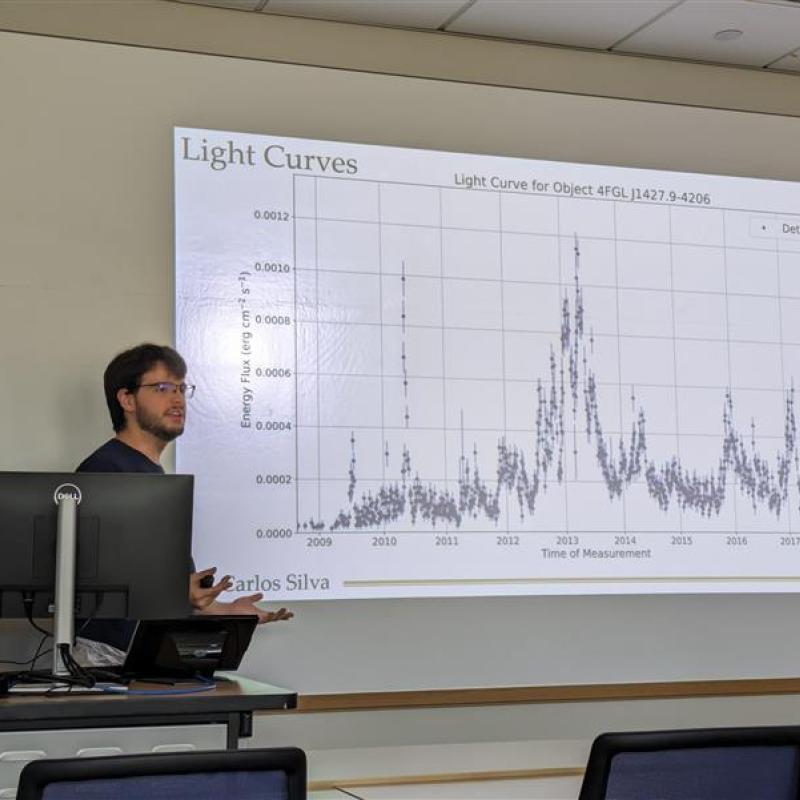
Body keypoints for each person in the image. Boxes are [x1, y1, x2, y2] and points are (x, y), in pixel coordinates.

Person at [76, 343, 292, 658]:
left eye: (181, 388)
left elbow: (150, 582)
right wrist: (180, 594)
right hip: (108, 658)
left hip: (144, 653)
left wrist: (226, 610)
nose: (177, 399)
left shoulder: (149, 473)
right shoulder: (107, 471)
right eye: (162, 387)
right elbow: (104, 582)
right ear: (127, 399)